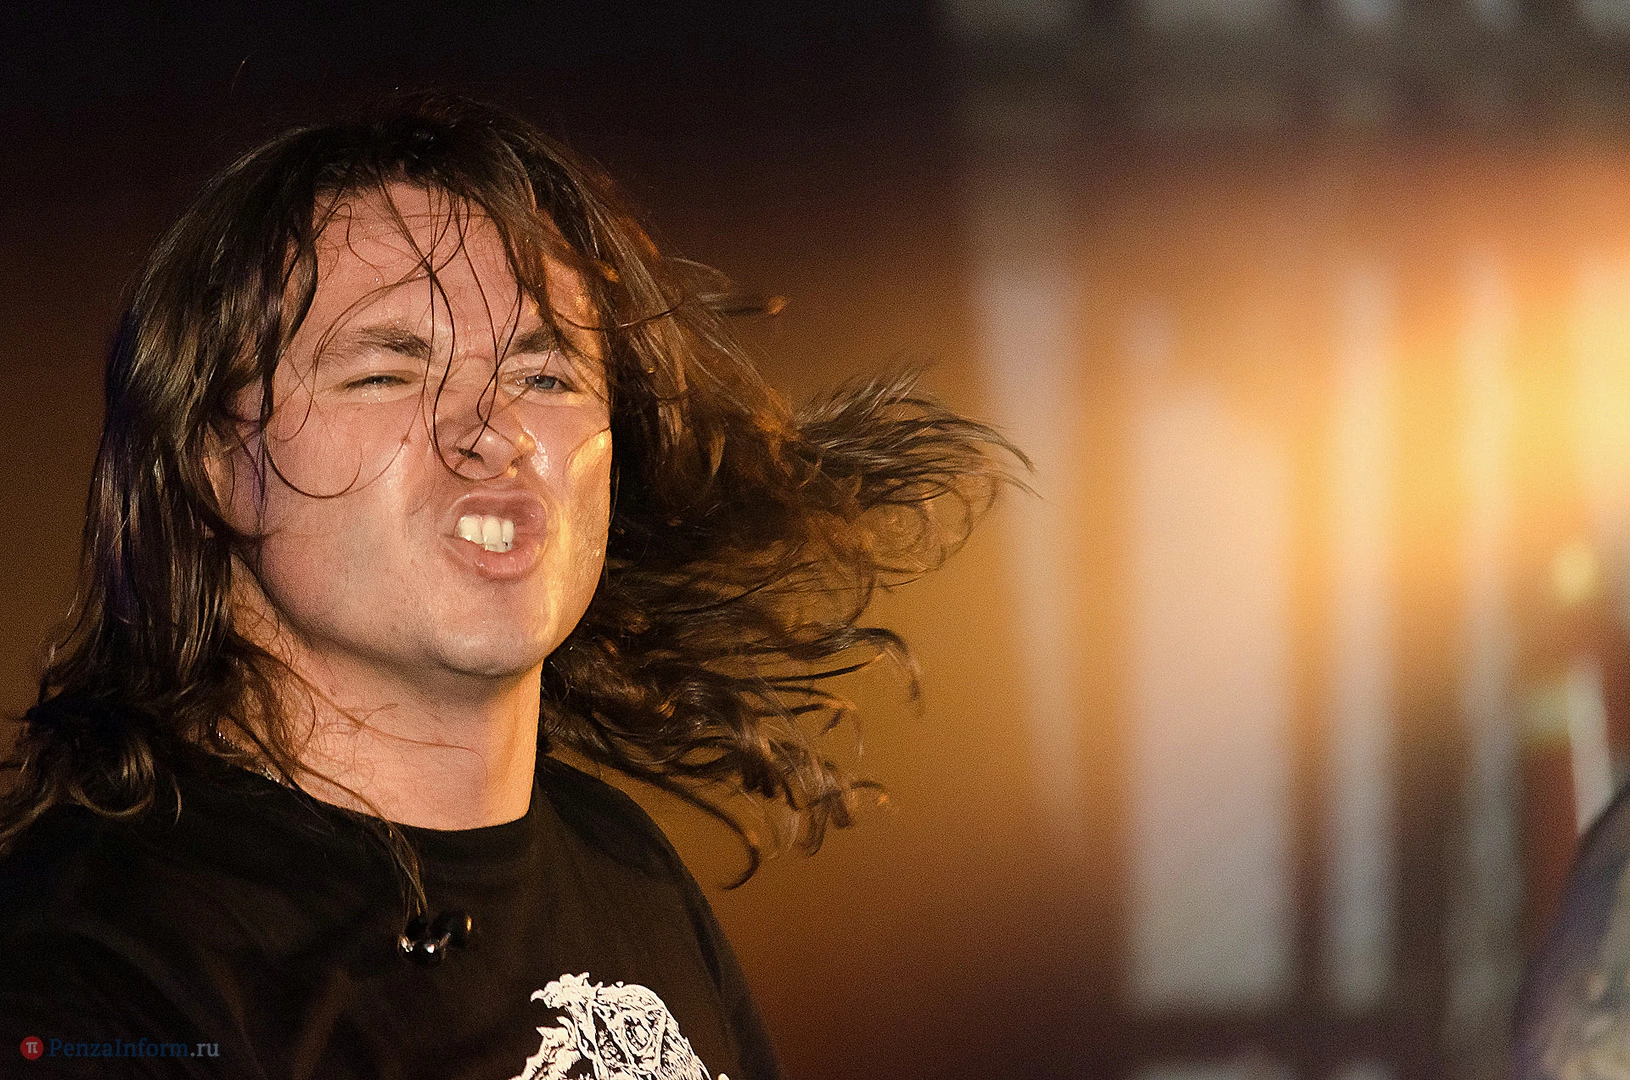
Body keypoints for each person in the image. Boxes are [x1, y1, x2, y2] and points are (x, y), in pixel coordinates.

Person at [0, 95, 1016, 1078]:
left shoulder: (622, 866)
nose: (494, 432)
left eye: (545, 378)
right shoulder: (88, 969)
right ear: (213, 464)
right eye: (388, 374)